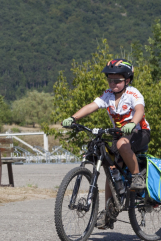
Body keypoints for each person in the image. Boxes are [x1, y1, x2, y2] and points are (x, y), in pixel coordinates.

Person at [62, 59, 149, 229]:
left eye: (117, 81)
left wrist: (132, 122)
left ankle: (137, 176)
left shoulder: (133, 94)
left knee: (122, 144)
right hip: (120, 134)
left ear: (128, 80)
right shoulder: (107, 95)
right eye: (110, 80)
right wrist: (73, 118)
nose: (113, 84)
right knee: (111, 170)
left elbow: (139, 110)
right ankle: (110, 210)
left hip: (139, 132)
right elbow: (91, 106)